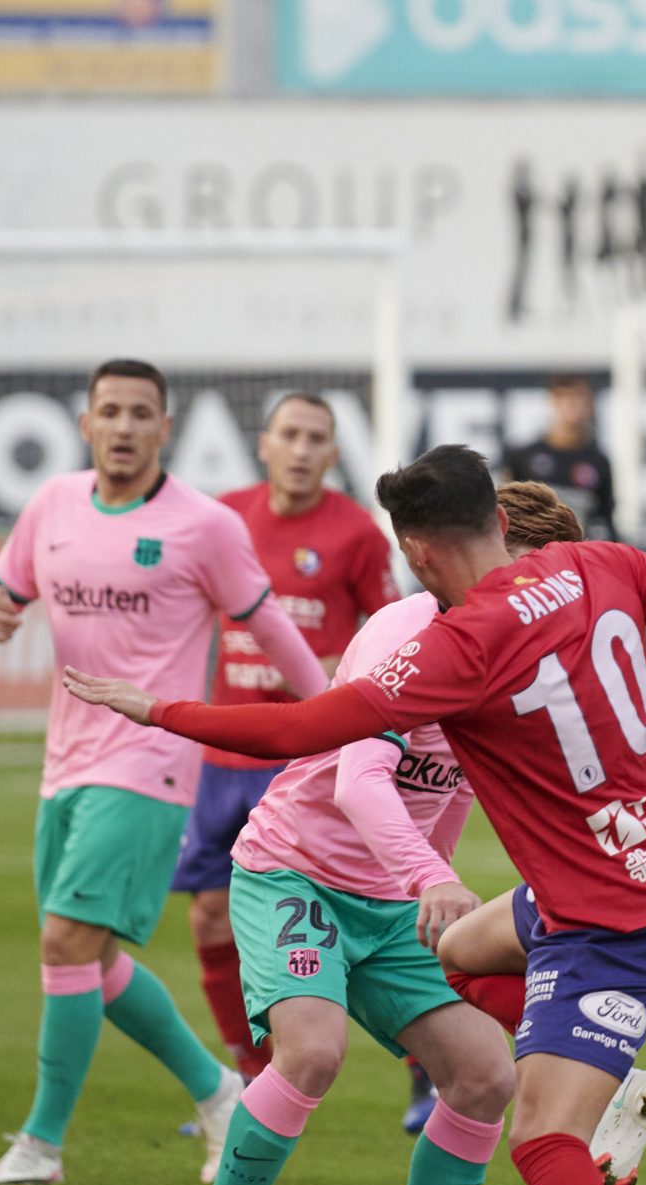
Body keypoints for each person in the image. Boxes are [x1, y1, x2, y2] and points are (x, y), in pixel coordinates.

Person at [62, 446, 646, 1185]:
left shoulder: (475, 635)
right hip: (314, 873)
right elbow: (353, 772)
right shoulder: (541, 590)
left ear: (418, 547)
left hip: (550, 906)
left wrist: (159, 708)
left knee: (500, 1091)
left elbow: (307, 730)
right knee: (327, 1045)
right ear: (504, 529)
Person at [0, 359, 330, 1185]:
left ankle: (41, 1144)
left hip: (150, 761)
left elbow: (269, 624)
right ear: (87, 423)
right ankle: (220, 1092)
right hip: (65, 762)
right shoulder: (53, 504)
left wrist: (333, 721)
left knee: (65, 939)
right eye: (110, 411)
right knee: (86, 959)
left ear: (165, 428)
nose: (124, 427)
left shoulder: (203, 524)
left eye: (140, 414)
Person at [166, 576, 507, 1185]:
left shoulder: (516, 650)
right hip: (295, 872)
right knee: (313, 1051)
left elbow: (457, 789)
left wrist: (432, 887)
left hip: (393, 901)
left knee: (486, 1075)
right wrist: (432, 877)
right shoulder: (406, 636)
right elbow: (358, 781)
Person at [432, 482, 646, 1185]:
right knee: (456, 952)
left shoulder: (526, 631)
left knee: (539, 1139)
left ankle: (600, 1076)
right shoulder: (542, 619)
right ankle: (614, 1078)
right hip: (612, 866)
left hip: (605, 885)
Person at [174, 393, 392, 1088]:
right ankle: (250, 1074)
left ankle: (427, 1063)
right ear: (263, 444)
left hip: (302, 758)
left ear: (333, 454)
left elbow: (396, 633)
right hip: (222, 755)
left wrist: (331, 667)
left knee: (339, 925)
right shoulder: (224, 517)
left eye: (316, 438)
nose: (301, 449)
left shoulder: (357, 533)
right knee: (210, 917)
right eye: (289, 434)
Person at [501, 376, 616, 541]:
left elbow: (605, 518)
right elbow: (507, 510)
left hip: (579, 548)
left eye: (580, 400)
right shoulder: (524, 457)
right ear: (553, 402)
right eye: (567, 400)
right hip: (536, 548)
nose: (574, 407)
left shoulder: (598, 461)